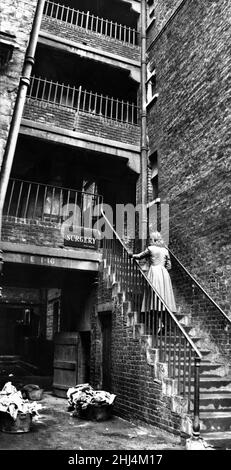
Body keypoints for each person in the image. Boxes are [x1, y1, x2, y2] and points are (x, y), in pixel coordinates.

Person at [132, 232, 176, 332]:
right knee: (163, 298)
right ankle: (163, 323)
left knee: (154, 298)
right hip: (164, 275)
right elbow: (169, 266)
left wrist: (132, 255)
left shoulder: (151, 249)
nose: (149, 241)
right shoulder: (165, 250)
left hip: (155, 273)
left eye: (150, 239)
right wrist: (163, 270)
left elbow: (139, 256)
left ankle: (160, 324)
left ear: (154, 240)